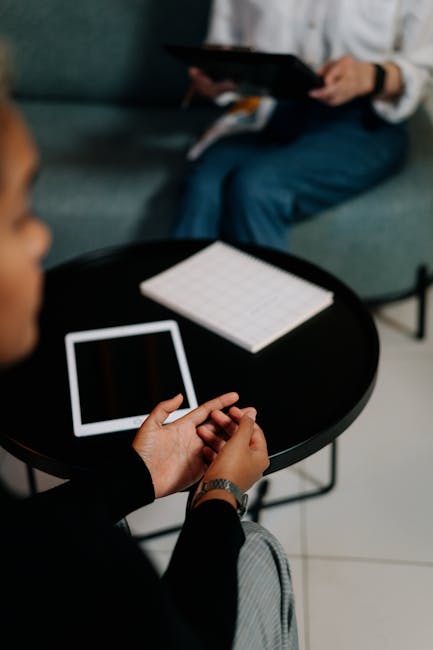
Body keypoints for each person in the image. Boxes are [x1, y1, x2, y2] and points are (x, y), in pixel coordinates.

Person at [0, 45, 298, 649]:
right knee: (259, 550)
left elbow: (21, 543)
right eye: (15, 214)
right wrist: (220, 497)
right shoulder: (97, 577)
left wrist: (141, 474)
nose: (41, 236)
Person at [171, 0, 433, 252]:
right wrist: (219, 74)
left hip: (365, 119)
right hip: (270, 110)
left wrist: (371, 77)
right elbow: (224, 45)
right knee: (204, 188)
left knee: (256, 188)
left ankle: (271, 299)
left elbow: (424, 67)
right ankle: (180, 296)